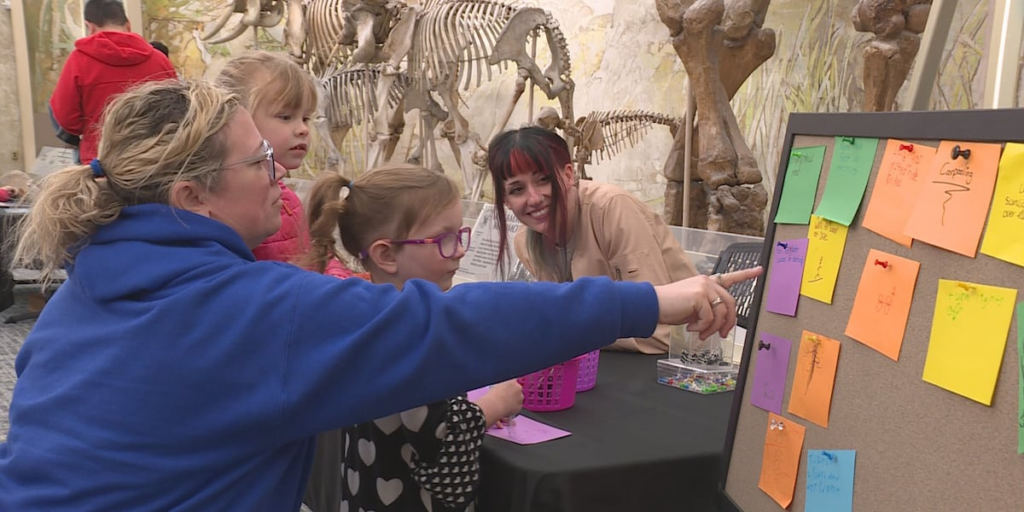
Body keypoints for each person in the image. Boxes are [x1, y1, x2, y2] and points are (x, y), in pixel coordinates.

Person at [0, 79, 759, 510]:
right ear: (192, 196)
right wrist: (653, 301)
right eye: (260, 159)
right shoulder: (250, 310)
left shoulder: (74, 302)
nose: (279, 171)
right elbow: (453, 327)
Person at [299, 165, 523, 511]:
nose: (459, 250)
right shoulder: (410, 334)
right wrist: (497, 403)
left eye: (459, 235)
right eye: (443, 240)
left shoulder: (365, 318)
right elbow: (439, 438)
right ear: (386, 255)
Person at [488, 126, 701, 354]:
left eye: (544, 180)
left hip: (679, 359)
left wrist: (567, 330)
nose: (534, 199)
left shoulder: (612, 208)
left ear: (568, 175)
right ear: (506, 200)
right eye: (517, 190)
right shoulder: (525, 242)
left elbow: (659, 333)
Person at [216, 51, 354, 277]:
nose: (303, 129)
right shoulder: (234, 208)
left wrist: (340, 281)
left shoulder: (287, 198)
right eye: (286, 117)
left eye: (306, 118)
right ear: (237, 119)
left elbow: (312, 256)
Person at [49, 0, 176, 164]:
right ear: (128, 25)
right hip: (150, 160)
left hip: (100, 161)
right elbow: (177, 113)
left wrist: (91, 129)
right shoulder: (159, 61)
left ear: (90, 27)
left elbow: (66, 119)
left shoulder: (78, 61)